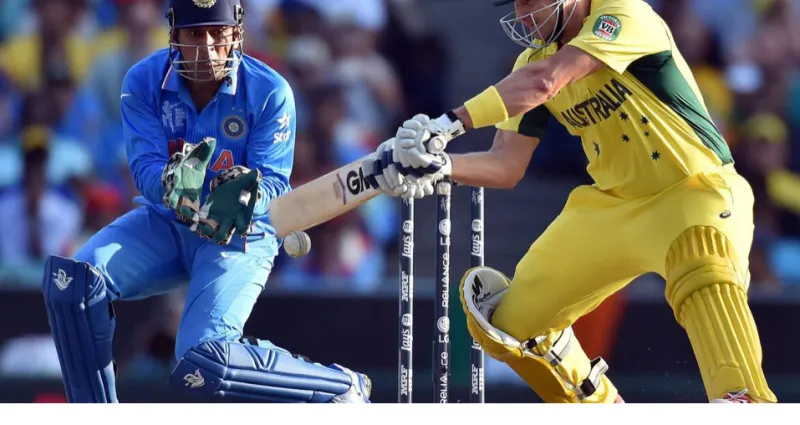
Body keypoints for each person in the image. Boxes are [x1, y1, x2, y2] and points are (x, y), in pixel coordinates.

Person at [365, 0, 775, 403]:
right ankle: (598, 406)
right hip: (613, 208)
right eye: (517, 3)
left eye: (531, 1)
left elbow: (546, 82)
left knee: (701, 264)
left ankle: (742, 399)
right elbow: (505, 165)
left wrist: (448, 124)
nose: (522, 14)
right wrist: (438, 166)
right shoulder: (531, 62)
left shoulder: (623, 14)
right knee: (509, 325)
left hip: (692, 191)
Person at [41, 0, 371, 403]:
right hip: (168, 223)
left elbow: (274, 183)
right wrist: (169, 184)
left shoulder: (269, 91)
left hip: (237, 235)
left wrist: (245, 195)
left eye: (218, 33)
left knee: (203, 360)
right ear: (174, 33)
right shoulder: (143, 80)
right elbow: (144, 167)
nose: (208, 48)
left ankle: (338, 387)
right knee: (72, 284)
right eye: (196, 34)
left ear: (237, 32)